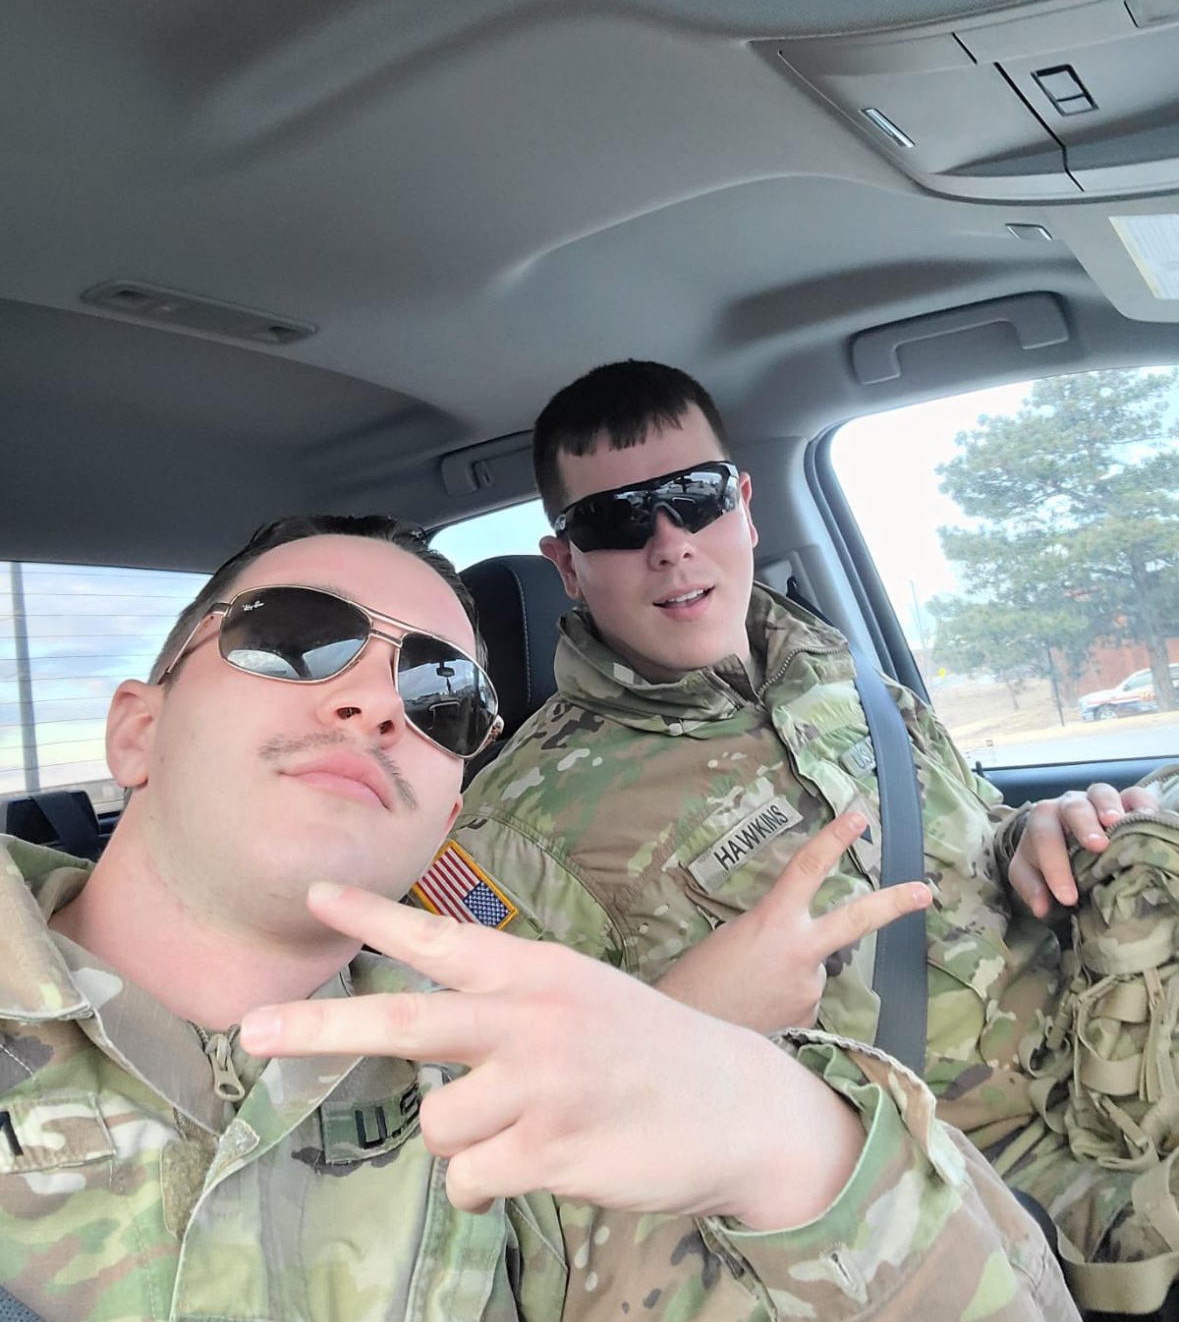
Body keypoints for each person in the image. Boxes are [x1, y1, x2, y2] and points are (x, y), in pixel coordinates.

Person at [0, 514, 1071, 1322]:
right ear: (136, 731)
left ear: (446, 817)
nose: (376, 702)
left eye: (441, 694)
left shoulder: (508, 1122)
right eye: (294, 639)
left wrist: (783, 1133)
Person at [452, 360, 1179, 1310]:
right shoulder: (515, 828)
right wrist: (691, 1018)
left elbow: (979, 834)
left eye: (694, 497)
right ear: (568, 563)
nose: (670, 543)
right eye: (617, 520)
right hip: (944, 1194)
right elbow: (517, 1126)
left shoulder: (853, 684)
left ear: (743, 505)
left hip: (1118, 1064)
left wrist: (1032, 829)